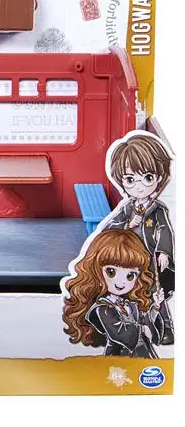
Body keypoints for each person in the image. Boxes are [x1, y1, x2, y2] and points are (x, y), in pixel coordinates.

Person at [103, 133, 174, 344]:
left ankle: (166, 328)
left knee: (156, 293)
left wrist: (164, 251)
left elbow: (165, 229)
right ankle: (137, 326)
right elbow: (108, 228)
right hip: (130, 260)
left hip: (150, 259)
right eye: (130, 180)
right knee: (133, 292)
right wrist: (127, 225)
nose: (140, 187)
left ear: (159, 177)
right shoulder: (127, 208)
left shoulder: (157, 209)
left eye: (148, 178)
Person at [63, 230, 164, 358]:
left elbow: (144, 321)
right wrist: (142, 329)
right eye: (111, 272)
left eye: (130, 275)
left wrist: (156, 307)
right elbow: (119, 333)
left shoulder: (129, 305)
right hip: (118, 357)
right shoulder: (102, 308)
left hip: (142, 355)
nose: (121, 282)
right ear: (95, 270)